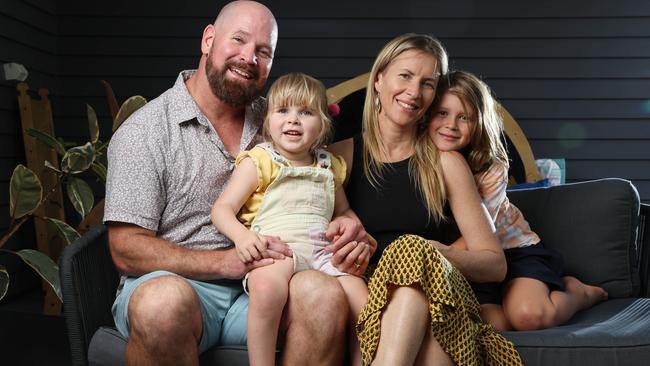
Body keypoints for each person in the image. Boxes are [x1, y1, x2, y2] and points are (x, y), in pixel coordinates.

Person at [104, 2, 370, 365]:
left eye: (263, 51)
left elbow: (321, 181)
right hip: (183, 285)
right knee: (161, 304)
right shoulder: (145, 132)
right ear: (209, 40)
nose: (249, 58)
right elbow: (125, 249)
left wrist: (351, 230)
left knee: (323, 294)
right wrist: (224, 262)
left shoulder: (278, 118)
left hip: (274, 279)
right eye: (239, 40)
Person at [328, 33, 523, 366]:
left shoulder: (445, 162)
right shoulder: (336, 158)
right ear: (379, 79)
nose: (414, 92)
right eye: (405, 76)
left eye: (428, 83)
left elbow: (495, 264)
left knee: (412, 257)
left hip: (442, 299)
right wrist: (344, 256)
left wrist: (431, 254)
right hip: (370, 301)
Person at [428, 70, 608, 331]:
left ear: (478, 123)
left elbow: (475, 234)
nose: (451, 125)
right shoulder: (419, 162)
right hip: (471, 265)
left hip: (513, 252)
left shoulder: (491, 166)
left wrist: (430, 257)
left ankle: (577, 293)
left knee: (528, 316)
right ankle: (507, 301)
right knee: (495, 327)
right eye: (442, 113)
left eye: (464, 117)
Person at [212, 72, 369, 366]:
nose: (293, 120)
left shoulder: (328, 165)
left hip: (323, 253)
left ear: (322, 124)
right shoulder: (261, 159)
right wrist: (244, 237)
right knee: (267, 289)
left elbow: (343, 211)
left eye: (305, 112)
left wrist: (347, 221)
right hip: (277, 250)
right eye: (283, 110)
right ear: (268, 120)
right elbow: (222, 209)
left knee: (364, 301)